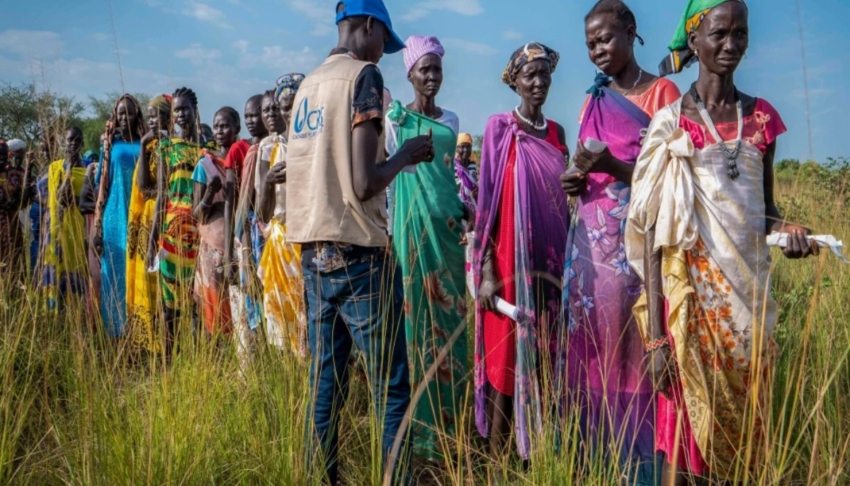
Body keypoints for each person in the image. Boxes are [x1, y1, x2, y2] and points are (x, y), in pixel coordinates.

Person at [625, 1, 818, 482]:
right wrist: (654, 340)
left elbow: (767, 212)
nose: (731, 45)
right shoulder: (671, 124)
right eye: (719, 34)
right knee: (686, 442)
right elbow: (651, 232)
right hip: (689, 309)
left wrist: (789, 230)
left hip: (747, 311)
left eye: (740, 34)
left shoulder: (762, 119)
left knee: (745, 441)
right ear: (694, 40)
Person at [284, 1, 433, 482]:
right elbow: (366, 182)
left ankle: (320, 476)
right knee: (392, 387)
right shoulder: (363, 77)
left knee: (326, 380)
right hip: (358, 255)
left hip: (312, 254)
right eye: (382, 42)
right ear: (368, 26)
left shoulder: (307, 86)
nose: (382, 54)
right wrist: (406, 154)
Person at [559, 1, 681, 482]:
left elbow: (670, 175)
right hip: (590, 252)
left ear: (631, 33)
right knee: (595, 354)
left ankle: (643, 467)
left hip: (640, 250)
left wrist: (614, 169)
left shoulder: (663, 93)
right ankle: (596, 461)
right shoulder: (593, 98)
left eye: (606, 39)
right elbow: (580, 162)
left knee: (639, 347)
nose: (598, 50)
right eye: (590, 43)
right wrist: (575, 177)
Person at [472, 42, 570, 459]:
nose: (538, 83)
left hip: (548, 262)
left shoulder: (556, 133)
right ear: (514, 81)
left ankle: (538, 455)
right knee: (506, 357)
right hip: (509, 262)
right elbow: (486, 204)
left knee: (545, 356)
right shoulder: (499, 128)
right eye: (529, 75)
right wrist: (488, 269)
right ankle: (497, 460)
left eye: (544, 74)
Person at [383, 35, 468, 468]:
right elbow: (393, 181)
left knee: (452, 331)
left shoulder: (451, 121)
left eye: (437, 69)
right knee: (416, 335)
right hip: (412, 236)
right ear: (410, 74)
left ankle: (453, 435)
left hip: (449, 236)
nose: (432, 76)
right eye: (424, 69)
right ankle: (420, 442)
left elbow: (449, 181)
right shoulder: (396, 120)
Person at [138, 87, 203, 356]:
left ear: (194, 111)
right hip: (172, 236)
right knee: (170, 308)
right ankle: (169, 364)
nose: (181, 114)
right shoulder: (166, 148)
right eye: (176, 110)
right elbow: (162, 195)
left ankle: (199, 365)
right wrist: (153, 239)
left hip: (200, 236)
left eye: (185, 109)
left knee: (198, 305)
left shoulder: (204, 149)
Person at [84, 94, 146, 337]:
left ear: (137, 115)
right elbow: (102, 182)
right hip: (114, 214)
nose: (124, 117)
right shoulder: (110, 144)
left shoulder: (146, 142)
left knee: (137, 273)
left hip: (140, 214)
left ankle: (137, 335)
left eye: (128, 112)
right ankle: (114, 334)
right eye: (120, 112)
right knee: (114, 274)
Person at [256, 76, 308, 354]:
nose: (290, 113)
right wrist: (268, 182)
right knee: (280, 320)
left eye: (296, 105)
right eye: (285, 107)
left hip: (309, 242)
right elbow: (262, 211)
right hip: (279, 242)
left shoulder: (314, 145)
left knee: (306, 322)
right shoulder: (269, 148)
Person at [193, 106, 249, 336]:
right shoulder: (205, 166)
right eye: (216, 126)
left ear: (237, 128)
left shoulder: (243, 159)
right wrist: (209, 194)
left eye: (225, 125)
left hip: (239, 243)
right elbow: (196, 213)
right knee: (213, 312)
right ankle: (213, 364)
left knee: (241, 310)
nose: (219, 130)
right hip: (212, 250)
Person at [127, 94, 170, 353]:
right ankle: (146, 342)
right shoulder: (151, 148)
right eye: (150, 116)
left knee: (163, 283)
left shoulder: (172, 147)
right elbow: (144, 187)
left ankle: (164, 345)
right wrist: (143, 146)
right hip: (145, 220)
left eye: (158, 115)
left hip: (164, 220)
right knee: (147, 277)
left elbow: (163, 191)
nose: (153, 121)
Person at [41, 127, 89, 311]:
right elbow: (59, 199)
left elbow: (83, 201)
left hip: (77, 230)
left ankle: (76, 315)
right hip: (56, 228)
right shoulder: (54, 168)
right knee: (55, 270)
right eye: (69, 140)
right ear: (64, 142)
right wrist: (67, 168)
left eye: (77, 140)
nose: (73, 144)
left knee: (76, 273)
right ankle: (54, 316)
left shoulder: (86, 171)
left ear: (82, 144)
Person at [454, 132, 477, 217]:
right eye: (462, 146)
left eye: (468, 146)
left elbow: (474, 183)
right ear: (456, 148)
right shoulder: (453, 165)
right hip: (457, 206)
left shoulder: (472, 165)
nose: (465, 150)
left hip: (473, 205)